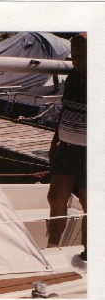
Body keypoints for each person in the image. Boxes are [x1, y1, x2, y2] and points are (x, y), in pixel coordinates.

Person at [47, 33, 87, 259]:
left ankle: (88, 255)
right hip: (66, 148)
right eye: (74, 55)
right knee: (55, 198)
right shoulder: (73, 77)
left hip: (89, 153)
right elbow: (65, 109)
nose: (76, 60)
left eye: (81, 56)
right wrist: (55, 141)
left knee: (90, 205)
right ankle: (52, 249)